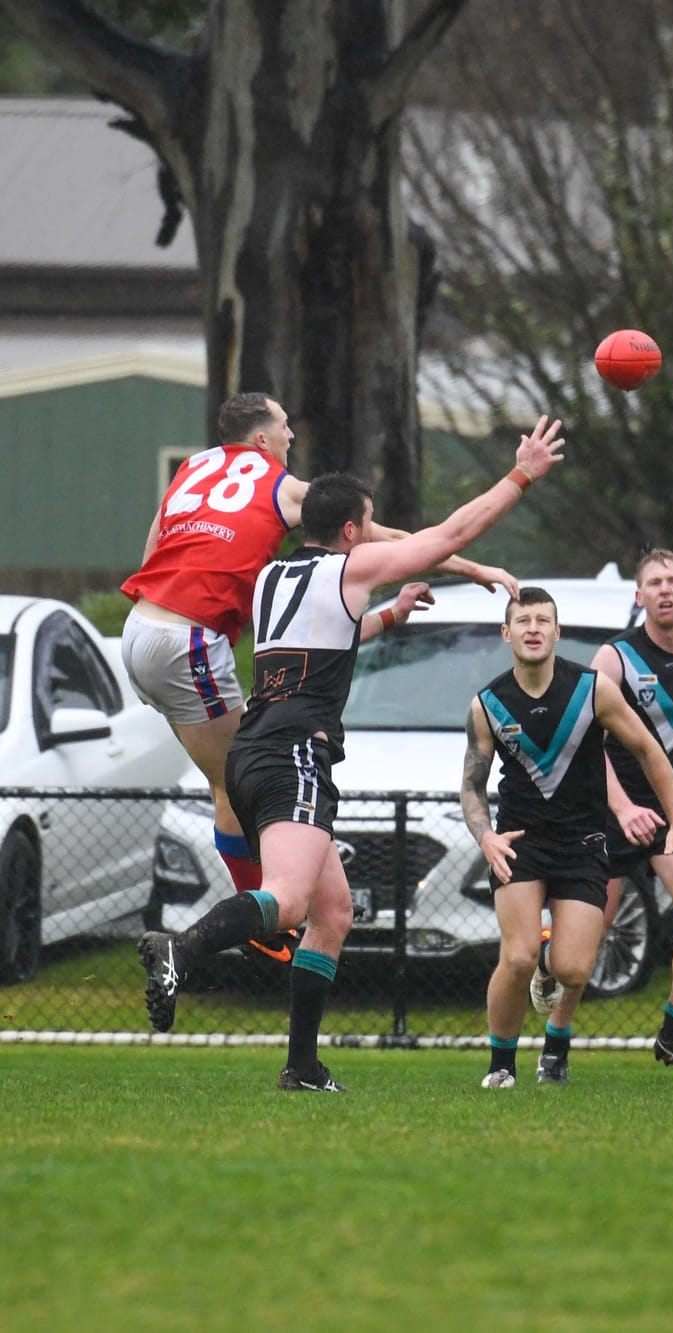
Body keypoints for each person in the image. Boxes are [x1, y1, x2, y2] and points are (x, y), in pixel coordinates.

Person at [134, 416, 565, 1092]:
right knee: (287, 898)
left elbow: (324, 637)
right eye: (366, 523)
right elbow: (446, 537)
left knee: (332, 913)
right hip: (294, 754)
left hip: (251, 753)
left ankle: (302, 1066)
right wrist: (522, 474)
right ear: (352, 532)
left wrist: (392, 615)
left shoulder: (275, 576)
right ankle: (180, 952)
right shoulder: (348, 565)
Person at [120, 391, 514, 963]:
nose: (290, 436)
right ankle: (255, 917)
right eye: (283, 426)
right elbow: (400, 541)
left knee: (231, 787)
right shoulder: (283, 486)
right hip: (189, 639)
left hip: (141, 626)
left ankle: (272, 926)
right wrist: (469, 567)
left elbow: (154, 544)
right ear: (260, 439)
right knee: (240, 780)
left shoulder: (195, 466)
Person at [461, 587, 673, 1089]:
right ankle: (501, 1066)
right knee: (517, 953)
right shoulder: (486, 705)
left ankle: (549, 968)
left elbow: (650, 753)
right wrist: (486, 838)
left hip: (585, 843)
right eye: (522, 620)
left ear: (556, 631)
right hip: (520, 841)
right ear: (507, 634)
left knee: (571, 968)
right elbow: (472, 788)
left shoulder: (593, 691)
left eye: (543, 619)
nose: (533, 628)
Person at [537, 548, 673, 1084]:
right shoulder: (615, 658)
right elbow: (581, 743)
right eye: (653, 582)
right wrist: (623, 806)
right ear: (639, 597)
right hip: (608, 812)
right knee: (583, 949)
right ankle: (555, 1047)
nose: (664, 589)